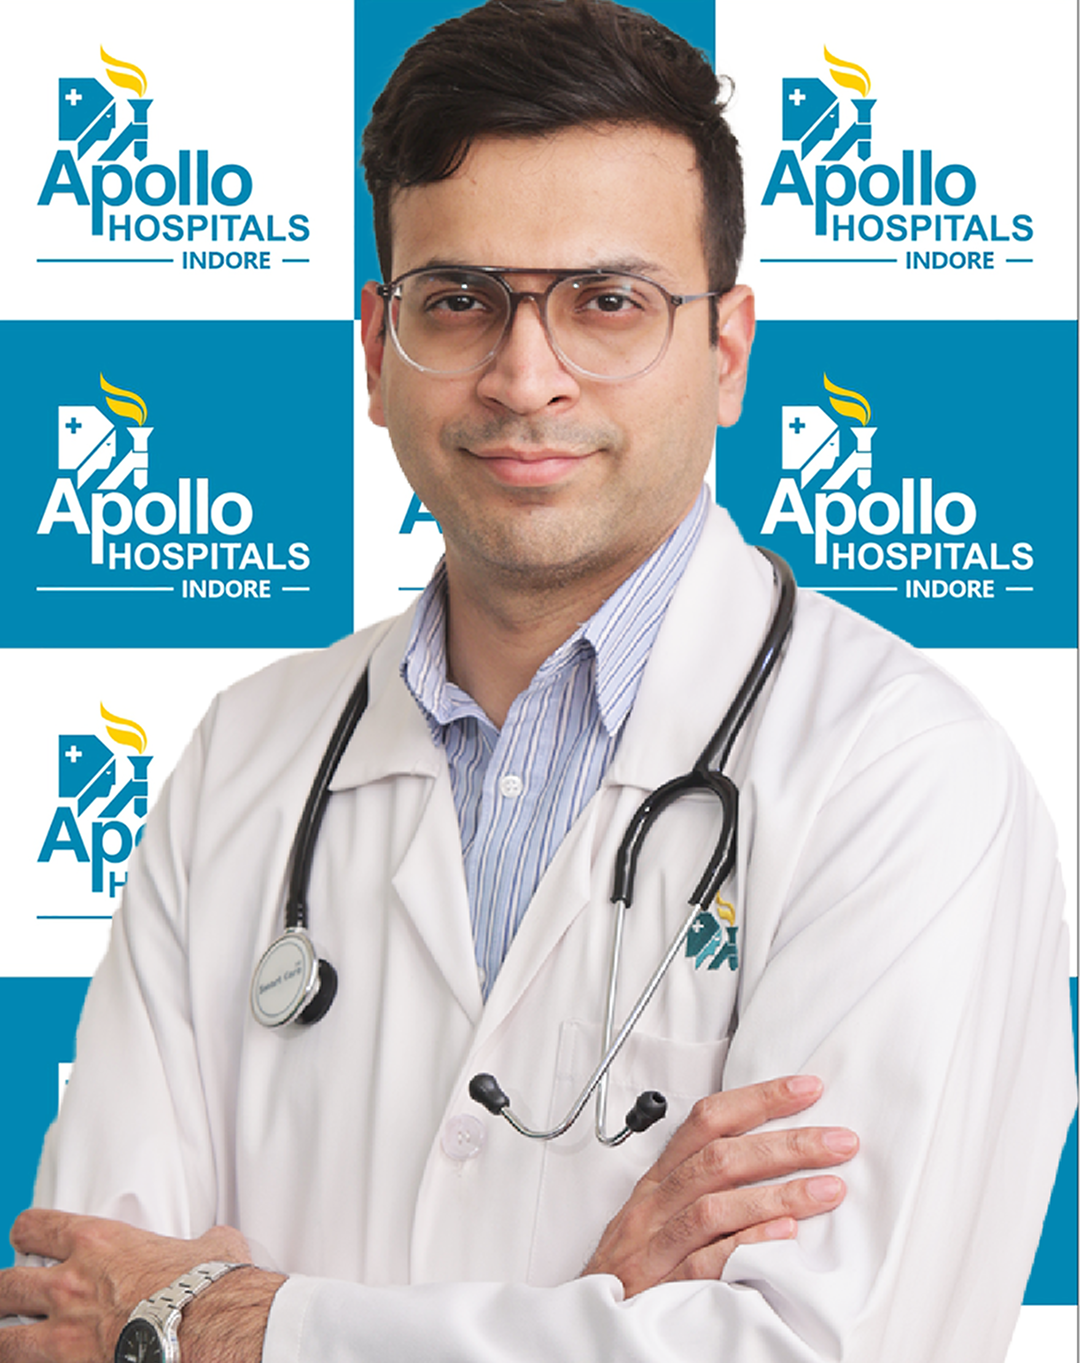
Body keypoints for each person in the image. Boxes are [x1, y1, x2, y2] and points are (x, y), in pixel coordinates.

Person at [0, 2, 1073, 1361]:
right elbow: (76, 1316)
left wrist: (246, 1326)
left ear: (728, 349)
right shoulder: (246, 752)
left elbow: (813, 1351)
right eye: (461, 301)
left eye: (607, 302)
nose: (525, 376)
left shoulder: (906, 777)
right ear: (376, 350)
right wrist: (600, 1305)